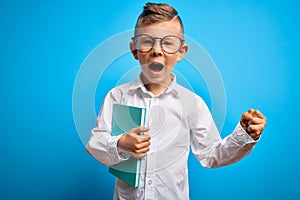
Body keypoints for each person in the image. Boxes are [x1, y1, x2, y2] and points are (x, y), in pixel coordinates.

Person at [86, 2, 267, 200]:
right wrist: (120, 143)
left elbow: (212, 155)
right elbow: (95, 143)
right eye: (147, 41)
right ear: (134, 49)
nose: (157, 50)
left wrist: (244, 135)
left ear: (181, 51)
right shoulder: (117, 96)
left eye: (168, 42)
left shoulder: (192, 104)